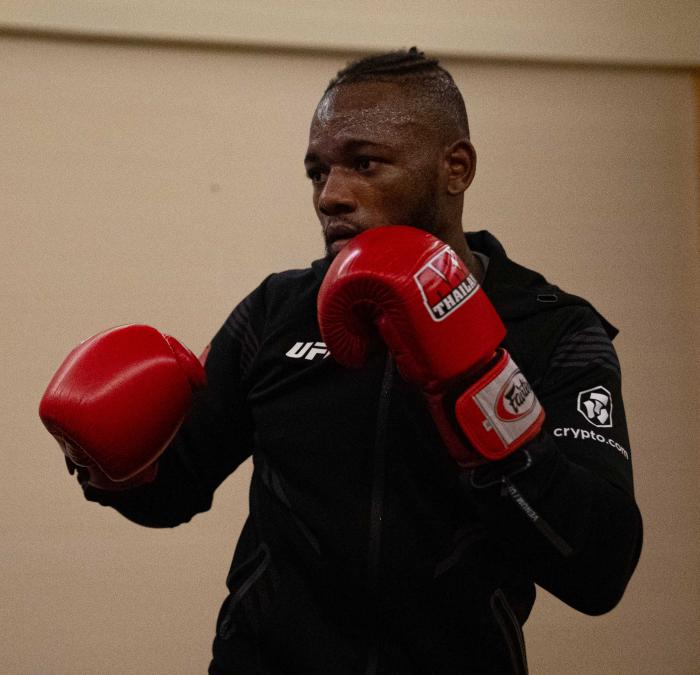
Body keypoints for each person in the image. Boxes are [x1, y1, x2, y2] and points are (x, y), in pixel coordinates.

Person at [40, 48, 642, 674]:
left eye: (365, 163)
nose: (331, 196)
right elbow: (170, 491)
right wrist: (103, 463)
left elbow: (600, 570)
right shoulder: (277, 311)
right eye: (317, 172)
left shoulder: (553, 327)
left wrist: (482, 392)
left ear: (454, 168)